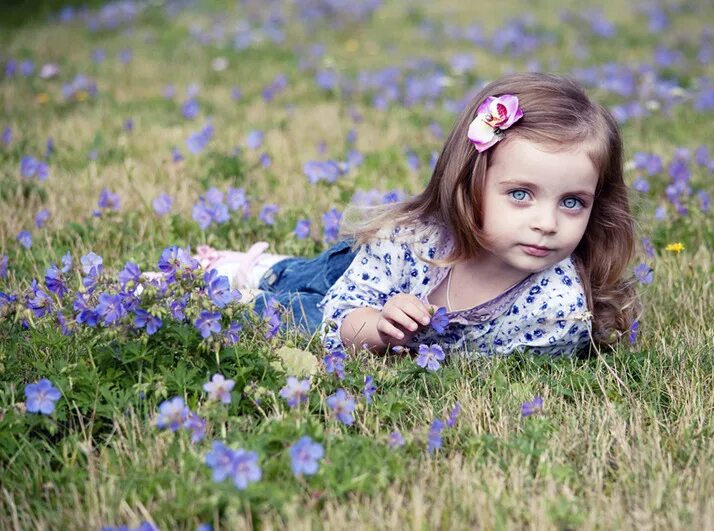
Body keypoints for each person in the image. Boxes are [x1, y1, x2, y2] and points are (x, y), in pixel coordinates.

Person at [198, 72, 640, 357]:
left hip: (381, 321)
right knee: (305, 287)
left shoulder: (559, 311)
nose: (547, 223)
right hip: (362, 280)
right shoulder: (408, 242)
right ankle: (236, 272)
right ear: (468, 185)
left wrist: (392, 343)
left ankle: (254, 281)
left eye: (571, 202)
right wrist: (375, 326)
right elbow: (339, 315)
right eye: (521, 194)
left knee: (292, 314)